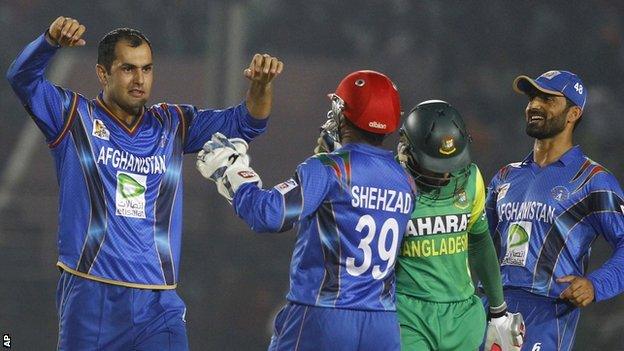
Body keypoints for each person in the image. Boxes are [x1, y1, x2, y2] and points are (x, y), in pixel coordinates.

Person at [6, 16, 282, 350]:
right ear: (103, 73)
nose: (140, 80)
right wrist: (49, 42)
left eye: (147, 69)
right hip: (92, 295)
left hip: (158, 303)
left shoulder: (173, 124)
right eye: (128, 69)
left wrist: (261, 86)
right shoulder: (72, 117)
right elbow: (22, 78)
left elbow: (245, 124)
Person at [196, 70, 415, 351]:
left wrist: (231, 171)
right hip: (383, 324)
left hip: (322, 315)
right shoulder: (406, 180)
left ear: (343, 112)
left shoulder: (329, 169)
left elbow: (270, 215)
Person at [485, 70, 624, 350]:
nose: (534, 105)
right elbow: (478, 243)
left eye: (548, 99)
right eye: (533, 97)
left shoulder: (593, 180)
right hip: (489, 308)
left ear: (573, 114)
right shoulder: (505, 176)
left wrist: (596, 284)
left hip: (546, 313)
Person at [392, 100, 524, 351]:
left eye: (450, 166)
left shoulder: (472, 178)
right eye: (435, 166)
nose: (445, 175)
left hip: (464, 316)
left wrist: (499, 309)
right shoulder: (391, 184)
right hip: (409, 314)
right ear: (408, 151)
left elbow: (479, 241)